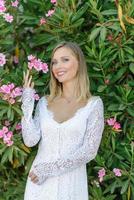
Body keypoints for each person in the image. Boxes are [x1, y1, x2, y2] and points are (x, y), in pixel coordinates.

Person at [21, 41, 104, 200]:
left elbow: (89, 150)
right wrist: (27, 101)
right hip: (38, 184)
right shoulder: (44, 103)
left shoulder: (93, 104)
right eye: (54, 62)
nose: (58, 66)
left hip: (71, 184)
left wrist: (48, 169)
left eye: (65, 59)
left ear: (79, 63)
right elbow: (30, 140)